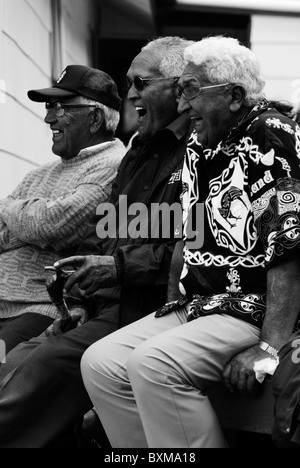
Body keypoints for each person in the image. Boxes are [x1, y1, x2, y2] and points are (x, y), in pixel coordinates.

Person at [80, 35, 300, 449]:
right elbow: (188, 237)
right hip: (197, 305)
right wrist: (170, 307)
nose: (182, 105)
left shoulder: (271, 135)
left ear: (234, 96)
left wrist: (270, 348)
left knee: (152, 364)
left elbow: (290, 248)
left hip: (249, 307)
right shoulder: (200, 144)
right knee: (101, 363)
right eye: (179, 89)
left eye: (191, 91)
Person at [0, 36, 194, 448]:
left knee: (37, 365)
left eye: (59, 106)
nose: (132, 95)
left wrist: (14, 210)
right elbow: (110, 237)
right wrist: (86, 303)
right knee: (27, 362)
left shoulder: (133, 160)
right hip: (102, 302)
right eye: (130, 84)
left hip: (149, 305)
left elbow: (53, 224)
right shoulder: (141, 152)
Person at [0, 65, 125, 356]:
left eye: (60, 107)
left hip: (42, 307)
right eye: (48, 106)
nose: (48, 117)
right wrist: (29, 221)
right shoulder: (39, 174)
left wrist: (6, 206)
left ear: (94, 117)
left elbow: (52, 225)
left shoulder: (114, 166)